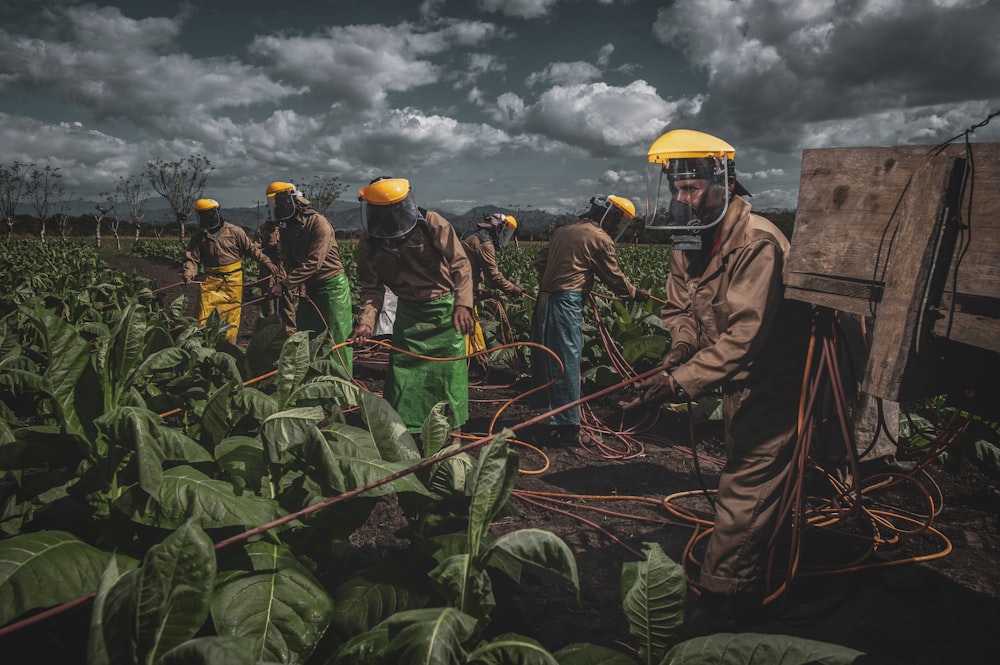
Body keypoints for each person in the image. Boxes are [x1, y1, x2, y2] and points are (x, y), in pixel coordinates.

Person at [624, 129, 813, 635]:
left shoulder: (759, 244)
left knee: (744, 486)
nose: (683, 200)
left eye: (692, 189)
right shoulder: (688, 237)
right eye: (677, 190)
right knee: (747, 476)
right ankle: (757, 563)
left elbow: (745, 337)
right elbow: (679, 308)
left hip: (772, 382)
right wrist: (679, 348)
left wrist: (678, 382)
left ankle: (726, 599)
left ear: (724, 181)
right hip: (733, 383)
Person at [348, 177, 475, 435]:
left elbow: (460, 264)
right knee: (402, 376)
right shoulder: (370, 243)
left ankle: (453, 434)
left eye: (393, 208)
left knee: (449, 376)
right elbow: (372, 289)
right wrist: (366, 322)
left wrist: (463, 303)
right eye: (380, 210)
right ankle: (405, 432)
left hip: (444, 313)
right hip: (408, 315)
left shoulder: (431, 224)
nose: (388, 215)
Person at [530, 195, 650, 445]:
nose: (617, 226)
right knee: (567, 361)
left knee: (548, 358)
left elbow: (539, 262)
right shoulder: (599, 238)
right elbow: (613, 276)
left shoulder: (563, 231)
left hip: (544, 300)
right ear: (608, 215)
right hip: (566, 303)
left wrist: (563, 275)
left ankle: (555, 414)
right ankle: (569, 428)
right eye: (618, 220)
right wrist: (633, 293)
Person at [265, 181, 353, 375]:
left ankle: (340, 385)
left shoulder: (319, 224)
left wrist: (285, 284)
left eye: (280, 203)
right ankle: (311, 382)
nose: (277, 208)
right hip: (310, 287)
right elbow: (289, 259)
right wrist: (299, 283)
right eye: (274, 204)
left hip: (331, 287)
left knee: (334, 339)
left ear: (293, 201)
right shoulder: (286, 229)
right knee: (308, 337)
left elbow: (315, 262)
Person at [182, 198, 278, 345]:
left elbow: (251, 250)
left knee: (230, 317)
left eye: (208, 215)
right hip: (210, 281)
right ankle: (202, 346)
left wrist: (267, 261)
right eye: (202, 215)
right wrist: (188, 273)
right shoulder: (199, 236)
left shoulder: (234, 231)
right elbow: (192, 259)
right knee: (203, 314)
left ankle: (227, 346)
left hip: (233, 281)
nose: (205, 218)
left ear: (216, 214)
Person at [461, 213, 525, 376]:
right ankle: (470, 364)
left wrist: (479, 287)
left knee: (473, 327)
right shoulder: (485, 244)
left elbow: (472, 267)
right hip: (462, 290)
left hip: (466, 288)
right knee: (467, 328)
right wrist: (513, 289)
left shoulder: (476, 238)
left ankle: (480, 361)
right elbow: (494, 275)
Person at [254, 217, 297, 335]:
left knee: (287, 300)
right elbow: (255, 251)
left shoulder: (288, 229)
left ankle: (290, 332)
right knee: (268, 302)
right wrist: (269, 250)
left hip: (284, 269)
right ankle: (270, 332)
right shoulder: (261, 230)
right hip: (267, 271)